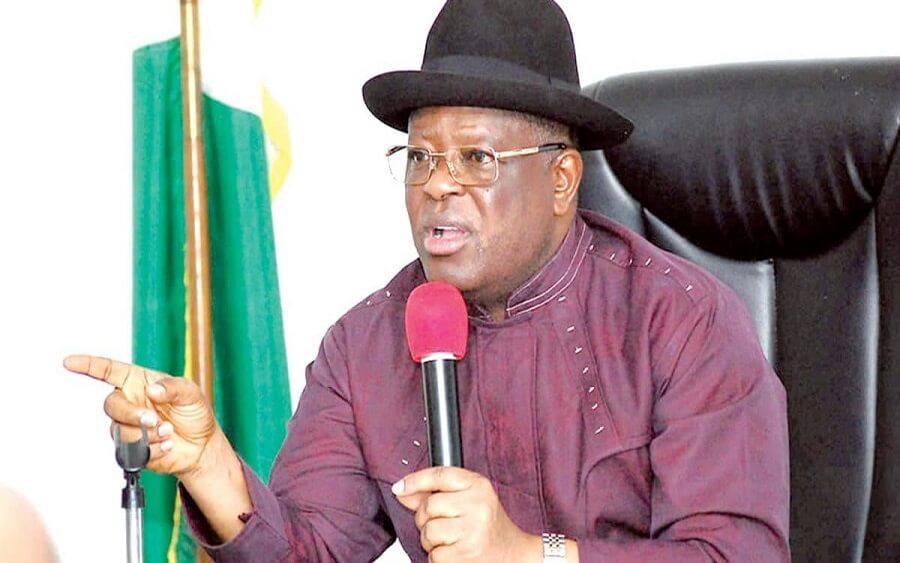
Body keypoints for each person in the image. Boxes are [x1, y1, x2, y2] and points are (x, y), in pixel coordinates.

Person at [65, 1, 790, 561]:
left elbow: (738, 553)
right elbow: (307, 550)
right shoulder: (365, 345)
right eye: (419, 159)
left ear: (562, 178)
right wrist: (210, 466)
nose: (438, 186)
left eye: (476, 159)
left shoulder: (682, 320)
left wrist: (529, 554)